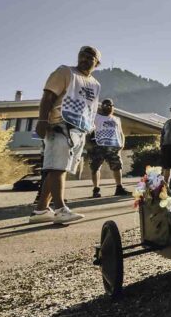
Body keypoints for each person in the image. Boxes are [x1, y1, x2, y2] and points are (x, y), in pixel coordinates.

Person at [28, 46, 101, 224]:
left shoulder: (95, 84)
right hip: (58, 125)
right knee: (57, 168)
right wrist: (42, 120)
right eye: (82, 55)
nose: (84, 58)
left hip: (79, 129)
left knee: (59, 168)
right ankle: (60, 209)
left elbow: (90, 109)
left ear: (97, 63)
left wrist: (90, 130)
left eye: (90, 57)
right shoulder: (65, 72)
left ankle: (40, 210)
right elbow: (48, 96)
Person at [89, 98, 129, 198]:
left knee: (117, 167)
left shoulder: (116, 119)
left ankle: (119, 188)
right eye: (106, 105)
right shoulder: (95, 117)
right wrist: (89, 144)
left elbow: (121, 133)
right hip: (99, 146)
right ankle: (96, 189)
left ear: (113, 107)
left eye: (111, 105)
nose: (108, 107)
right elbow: (89, 131)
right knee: (95, 167)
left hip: (113, 147)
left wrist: (122, 144)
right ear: (102, 106)